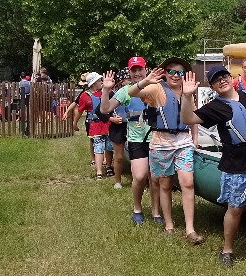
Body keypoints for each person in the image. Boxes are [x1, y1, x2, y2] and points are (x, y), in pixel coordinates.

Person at [182, 64, 246, 270]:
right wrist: (186, 96)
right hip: (236, 165)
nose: (221, 81)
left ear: (231, 77)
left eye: (224, 76)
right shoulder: (215, 107)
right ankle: (227, 249)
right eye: (216, 80)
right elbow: (188, 118)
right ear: (212, 87)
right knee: (235, 209)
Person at [129, 57, 204, 244]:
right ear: (165, 73)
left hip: (183, 141)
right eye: (171, 71)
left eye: (180, 72)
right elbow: (132, 92)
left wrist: (195, 139)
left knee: (187, 183)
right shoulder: (156, 89)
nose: (175, 75)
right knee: (165, 184)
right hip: (161, 143)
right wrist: (146, 81)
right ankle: (169, 225)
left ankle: (190, 229)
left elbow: (193, 116)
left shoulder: (188, 90)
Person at [102, 57, 162, 225]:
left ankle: (156, 211)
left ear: (146, 69)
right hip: (137, 140)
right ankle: (137, 208)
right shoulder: (126, 90)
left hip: (156, 138)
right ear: (129, 72)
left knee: (155, 178)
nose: (137, 73)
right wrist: (106, 90)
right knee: (140, 176)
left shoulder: (157, 87)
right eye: (133, 70)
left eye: (139, 69)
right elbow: (105, 109)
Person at [73, 72, 113, 180]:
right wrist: (75, 123)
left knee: (109, 147)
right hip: (95, 125)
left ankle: (109, 166)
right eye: (99, 80)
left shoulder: (107, 92)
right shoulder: (85, 96)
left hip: (108, 123)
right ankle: (99, 171)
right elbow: (79, 111)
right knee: (98, 147)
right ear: (93, 83)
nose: (101, 82)